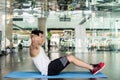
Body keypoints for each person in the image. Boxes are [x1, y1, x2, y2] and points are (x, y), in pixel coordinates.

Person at [30, 29, 105, 76]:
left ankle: (91, 66)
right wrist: (33, 34)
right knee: (70, 58)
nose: (43, 38)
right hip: (50, 69)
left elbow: (41, 41)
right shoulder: (33, 48)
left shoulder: (38, 47)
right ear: (35, 37)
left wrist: (40, 36)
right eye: (41, 36)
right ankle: (92, 68)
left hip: (51, 66)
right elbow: (33, 40)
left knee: (69, 57)